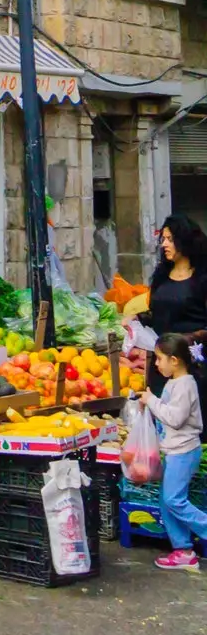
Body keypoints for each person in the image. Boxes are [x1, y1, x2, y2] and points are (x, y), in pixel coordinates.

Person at [148, 334, 207, 569]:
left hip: (184, 452)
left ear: (174, 360)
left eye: (159, 358)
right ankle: (183, 550)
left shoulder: (185, 385)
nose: (156, 363)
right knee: (166, 501)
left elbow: (174, 418)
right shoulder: (174, 383)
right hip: (174, 452)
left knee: (173, 499)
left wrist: (151, 400)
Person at [143, 215, 207, 398]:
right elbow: (156, 312)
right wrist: (138, 319)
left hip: (193, 365)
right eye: (163, 239)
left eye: (170, 239)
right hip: (161, 365)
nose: (164, 244)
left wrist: (186, 339)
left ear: (184, 241)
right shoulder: (161, 276)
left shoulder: (202, 278)